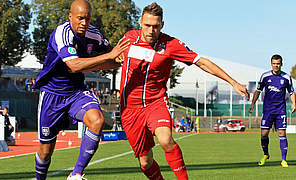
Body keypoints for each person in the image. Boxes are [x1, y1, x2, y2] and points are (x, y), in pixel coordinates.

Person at [119, 3, 250, 179]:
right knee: (145, 162)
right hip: (130, 109)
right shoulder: (128, 39)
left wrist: (233, 82)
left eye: (156, 26)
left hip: (155, 103)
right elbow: (113, 59)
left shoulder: (171, 44)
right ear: (140, 23)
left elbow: (201, 61)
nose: (151, 30)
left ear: (162, 25)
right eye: (147, 25)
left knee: (165, 140)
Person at [31, 0, 129, 179]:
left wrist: (128, 56)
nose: (84, 23)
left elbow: (115, 56)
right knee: (45, 152)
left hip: (76, 92)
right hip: (52, 95)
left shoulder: (94, 35)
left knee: (97, 121)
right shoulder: (62, 33)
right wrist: (109, 57)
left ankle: (76, 174)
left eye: (88, 18)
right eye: (80, 18)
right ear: (70, 17)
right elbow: (74, 65)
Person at [248, 54, 295, 168]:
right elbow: (258, 90)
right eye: (274, 64)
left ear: (281, 64)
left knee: (281, 133)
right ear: (271, 64)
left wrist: (294, 103)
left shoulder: (286, 78)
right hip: (268, 110)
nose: (276, 66)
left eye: (278, 64)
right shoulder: (265, 76)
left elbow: (291, 92)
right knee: (264, 134)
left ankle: (283, 160)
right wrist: (253, 103)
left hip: (280, 110)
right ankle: (266, 154)